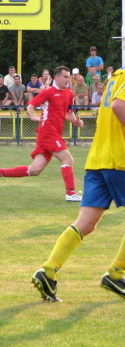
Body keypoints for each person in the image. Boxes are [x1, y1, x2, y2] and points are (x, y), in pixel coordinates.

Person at [30, 67, 125, 302]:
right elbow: (118, 106)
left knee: (86, 224)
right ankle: (116, 273)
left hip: (97, 160)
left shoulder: (116, 76)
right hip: (119, 160)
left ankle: (49, 270)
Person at [0, 66, 84, 202]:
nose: (68, 79)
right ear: (56, 78)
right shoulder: (49, 92)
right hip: (48, 132)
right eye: (65, 77)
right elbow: (30, 105)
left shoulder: (69, 94)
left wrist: (76, 122)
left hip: (50, 134)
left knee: (34, 170)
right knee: (67, 159)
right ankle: (70, 194)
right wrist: (33, 116)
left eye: (69, 77)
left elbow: (67, 113)